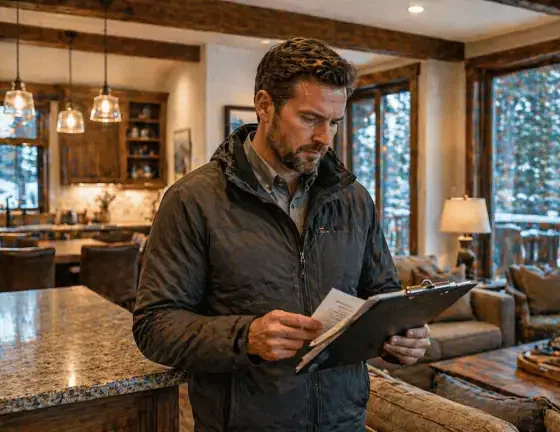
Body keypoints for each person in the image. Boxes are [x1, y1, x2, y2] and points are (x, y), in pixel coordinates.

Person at [132, 37, 430, 432]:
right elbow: (154, 326)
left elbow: (382, 293)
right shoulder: (193, 200)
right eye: (310, 119)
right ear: (264, 106)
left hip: (344, 421)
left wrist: (403, 336)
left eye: (335, 122)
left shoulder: (355, 199)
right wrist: (246, 336)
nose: (326, 137)